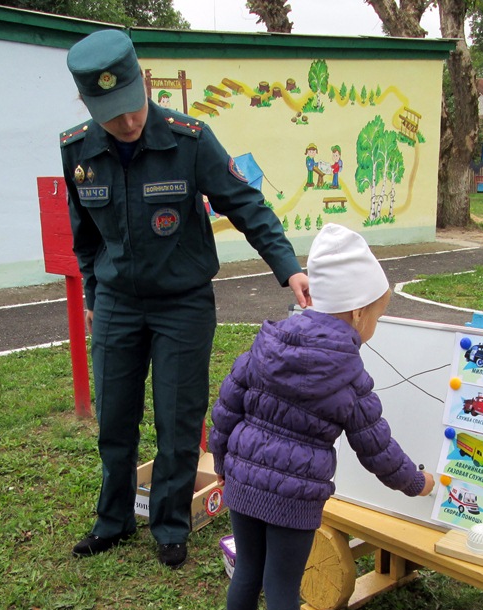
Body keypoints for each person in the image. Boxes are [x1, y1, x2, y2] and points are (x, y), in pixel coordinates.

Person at [60, 30, 309, 569]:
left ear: (142, 83)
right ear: (88, 104)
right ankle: (114, 520)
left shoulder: (189, 139)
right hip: (118, 306)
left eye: (131, 107)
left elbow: (247, 204)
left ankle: (171, 525)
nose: (126, 123)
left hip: (182, 304)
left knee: (178, 420)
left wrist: (288, 269)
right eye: (111, 115)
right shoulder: (77, 149)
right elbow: (83, 232)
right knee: (114, 420)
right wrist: (95, 292)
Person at [209, 223, 435, 610]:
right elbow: (377, 449)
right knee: (284, 587)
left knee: (248, 569)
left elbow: (228, 404)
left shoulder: (269, 340)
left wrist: (224, 461)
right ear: (357, 311)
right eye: (377, 315)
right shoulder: (348, 374)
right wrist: (418, 483)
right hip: (294, 497)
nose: (375, 325)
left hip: (244, 478)